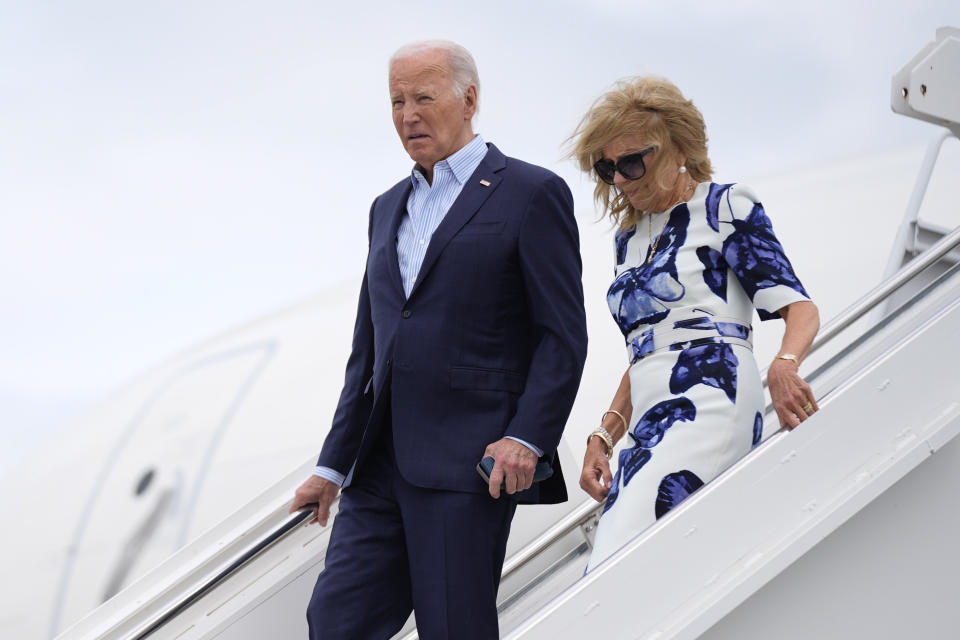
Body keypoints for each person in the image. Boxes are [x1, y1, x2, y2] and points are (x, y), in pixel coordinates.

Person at [289, 40, 587, 639]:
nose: (408, 115)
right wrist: (333, 465)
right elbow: (368, 351)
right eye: (397, 101)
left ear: (469, 99)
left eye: (423, 97)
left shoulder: (530, 192)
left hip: (469, 464)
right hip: (378, 467)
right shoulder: (385, 207)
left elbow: (562, 334)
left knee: (454, 629)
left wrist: (527, 436)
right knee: (335, 622)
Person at [571, 76, 820, 572]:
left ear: (679, 149)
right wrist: (604, 434)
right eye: (606, 168)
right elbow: (648, 348)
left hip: (712, 396)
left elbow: (798, 306)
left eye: (632, 162)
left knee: (622, 549)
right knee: (635, 552)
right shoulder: (628, 239)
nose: (619, 179)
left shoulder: (724, 206)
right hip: (650, 413)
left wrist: (785, 362)